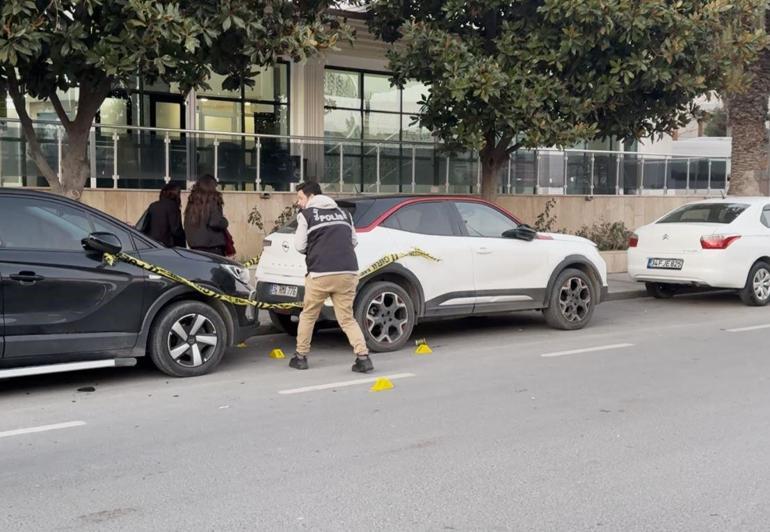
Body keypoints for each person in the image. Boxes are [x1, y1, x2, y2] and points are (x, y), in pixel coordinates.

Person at [289, 181, 373, 373]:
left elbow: (300, 246)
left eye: (300, 198)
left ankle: (301, 357)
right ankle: (363, 357)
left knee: (309, 315)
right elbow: (354, 241)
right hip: (348, 273)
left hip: (320, 273)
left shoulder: (306, 215)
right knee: (347, 319)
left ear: (311, 197)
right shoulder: (345, 214)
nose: (299, 203)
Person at [184, 174, 229, 256]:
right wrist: (225, 222)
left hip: (194, 247)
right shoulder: (213, 200)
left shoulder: (192, 201)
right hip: (212, 247)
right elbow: (215, 222)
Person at [141, 182, 186, 247]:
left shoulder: (153, 205)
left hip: (151, 244)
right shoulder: (173, 207)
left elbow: (144, 226)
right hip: (168, 246)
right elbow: (176, 230)